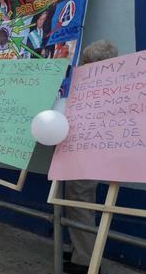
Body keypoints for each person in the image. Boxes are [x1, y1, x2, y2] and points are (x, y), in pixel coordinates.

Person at [63, 40, 118, 274]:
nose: (82, 65)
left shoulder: (103, 88)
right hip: (81, 154)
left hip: (86, 156)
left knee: (80, 203)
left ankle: (84, 260)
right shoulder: (108, 86)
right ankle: (80, 250)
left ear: (98, 64)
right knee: (79, 203)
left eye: (86, 61)